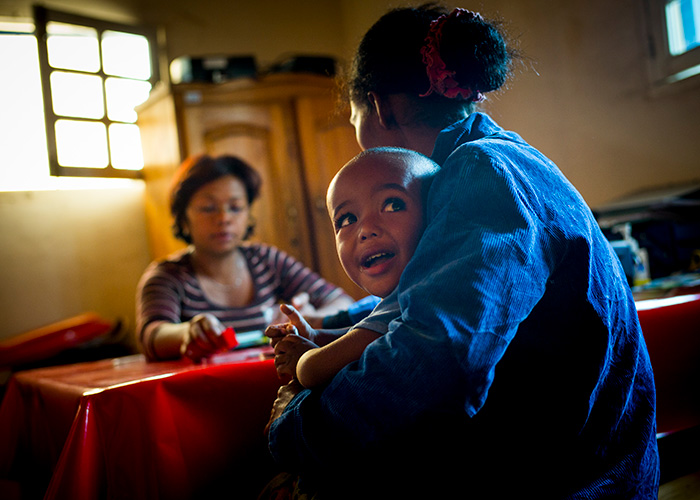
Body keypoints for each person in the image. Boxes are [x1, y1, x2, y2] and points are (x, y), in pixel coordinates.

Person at [265, 4, 659, 499]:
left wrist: (294, 424)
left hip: (575, 482)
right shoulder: (507, 156)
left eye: (354, 120)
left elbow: (434, 369)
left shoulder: (480, 172)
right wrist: (340, 322)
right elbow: (443, 293)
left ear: (379, 107)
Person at [135, 154, 354, 362]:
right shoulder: (166, 276)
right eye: (208, 208)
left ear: (248, 214)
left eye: (235, 207)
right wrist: (187, 332)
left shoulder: (267, 260)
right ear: (183, 218)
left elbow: (342, 302)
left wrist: (312, 318)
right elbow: (151, 335)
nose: (224, 218)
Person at [268, 147, 439, 389]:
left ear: (437, 217)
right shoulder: (398, 298)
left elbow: (313, 370)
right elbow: (363, 337)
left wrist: (303, 359)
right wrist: (315, 337)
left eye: (392, 205)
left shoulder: (421, 295)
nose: (366, 229)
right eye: (347, 219)